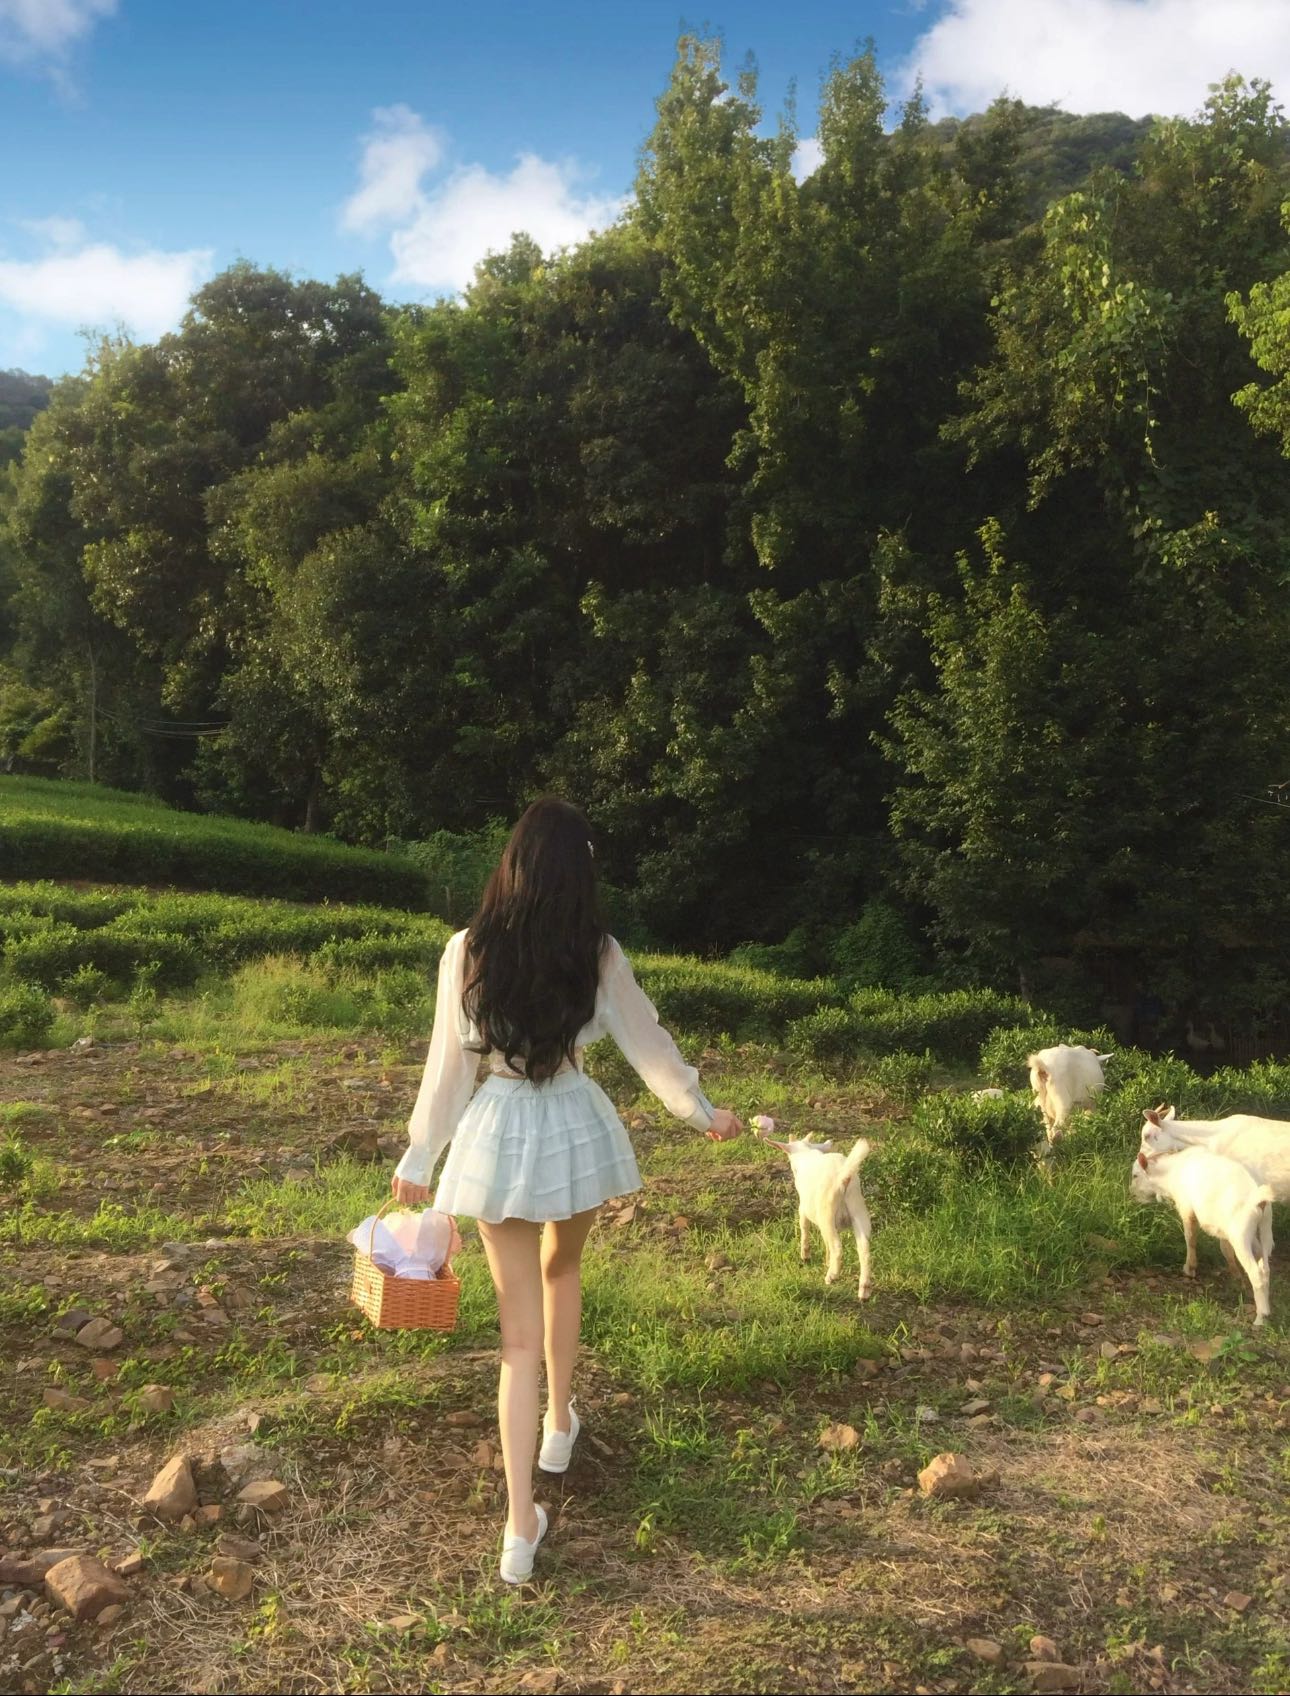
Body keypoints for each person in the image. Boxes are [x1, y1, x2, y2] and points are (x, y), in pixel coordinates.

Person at [389, 797, 743, 1583]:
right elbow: (650, 1045)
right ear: (579, 870)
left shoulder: (468, 950)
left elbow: (448, 1068)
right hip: (574, 1121)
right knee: (565, 1268)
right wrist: (703, 1113)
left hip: (498, 1126)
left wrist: (419, 1156)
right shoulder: (597, 951)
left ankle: (520, 1529)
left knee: (516, 1341)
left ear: (513, 863)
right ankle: (558, 1424)